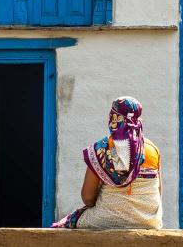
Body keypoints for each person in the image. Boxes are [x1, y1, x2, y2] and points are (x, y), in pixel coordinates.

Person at [52, 96, 162, 229]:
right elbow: (158, 193)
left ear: (113, 118)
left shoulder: (100, 149)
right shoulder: (152, 149)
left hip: (104, 219)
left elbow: (88, 198)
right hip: (149, 222)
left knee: (68, 223)